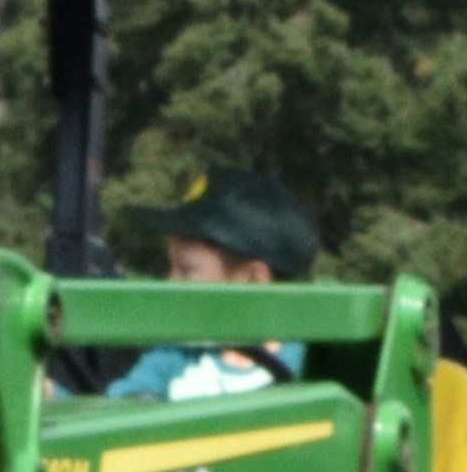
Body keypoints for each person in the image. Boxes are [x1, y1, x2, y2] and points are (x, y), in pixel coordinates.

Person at [105, 170, 312, 398]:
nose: (171, 283)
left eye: (186, 271)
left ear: (253, 280)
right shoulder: (178, 352)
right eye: (171, 267)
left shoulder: (308, 366)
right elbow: (119, 406)